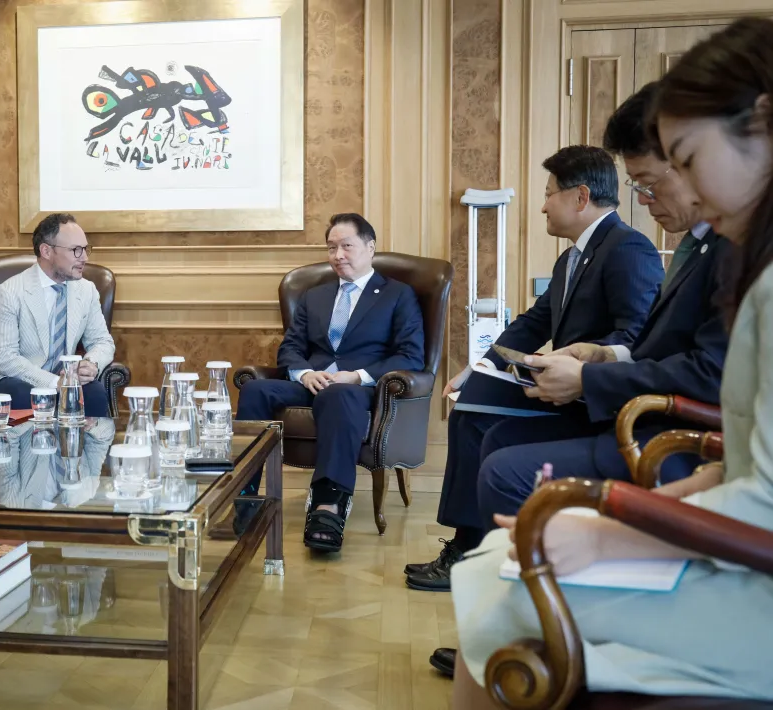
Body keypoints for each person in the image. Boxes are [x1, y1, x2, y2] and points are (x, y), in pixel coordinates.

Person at [450, 18, 773, 706]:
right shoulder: (747, 262)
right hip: (727, 521)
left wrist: (609, 533)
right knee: (496, 549)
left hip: (752, 576)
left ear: (764, 126)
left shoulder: (711, 263)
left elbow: (759, 497)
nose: (683, 192)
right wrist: (617, 524)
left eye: (687, 160)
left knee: (498, 586)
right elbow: (744, 466)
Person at [408, 146, 664, 592]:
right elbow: (533, 323)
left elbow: (637, 337)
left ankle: (470, 549)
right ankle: (472, 547)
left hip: (595, 399)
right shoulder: (572, 258)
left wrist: (578, 363)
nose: (543, 206)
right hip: (563, 390)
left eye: (548, 194)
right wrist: (480, 367)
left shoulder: (628, 248)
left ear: (580, 197)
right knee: (472, 401)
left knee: (476, 416)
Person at [234, 213, 425, 552]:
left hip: (359, 389)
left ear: (370, 247)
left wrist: (357, 376)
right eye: (331, 248)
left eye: (346, 246)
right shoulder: (315, 296)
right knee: (255, 389)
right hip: (313, 383)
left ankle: (328, 506)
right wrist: (305, 373)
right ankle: (244, 495)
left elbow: (411, 356)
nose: (338, 255)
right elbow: (291, 348)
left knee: (339, 396)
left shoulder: (398, 295)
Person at [0, 213, 116, 418]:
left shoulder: (87, 290)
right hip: (23, 380)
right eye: (76, 250)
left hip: (69, 378)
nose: (84, 257)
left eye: (86, 249)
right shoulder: (10, 292)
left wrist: (91, 364)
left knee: (95, 394)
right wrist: (54, 382)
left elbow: (102, 341)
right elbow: (4, 356)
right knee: (19, 393)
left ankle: (88, 440)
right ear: (46, 251)